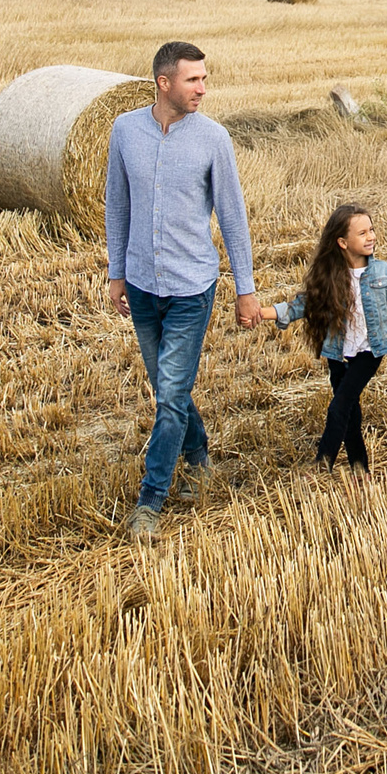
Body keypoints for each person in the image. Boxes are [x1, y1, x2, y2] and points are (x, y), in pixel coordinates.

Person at [103, 41, 262, 543]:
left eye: (205, 78)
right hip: (143, 285)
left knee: (169, 396)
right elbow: (117, 206)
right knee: (168, 390)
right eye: (193, 80)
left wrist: (246, 288)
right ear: (163, 82)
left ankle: (150, 501)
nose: (203, 88)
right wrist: (116, 271)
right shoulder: (125, 130)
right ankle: (197, 454)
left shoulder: (214, 138)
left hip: (193, 285)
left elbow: (233, 217)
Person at [268, 204, 387, 479]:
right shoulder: (329, 276)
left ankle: (323, 461)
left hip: (370, 350)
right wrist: (267, 312)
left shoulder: (384, 272)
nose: (371, 237)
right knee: (350, 408)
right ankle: (359, 467)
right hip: (338, 352)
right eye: (362, 232)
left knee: (340, 403)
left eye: (372, 230)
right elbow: (303, 304)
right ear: (342, 242)